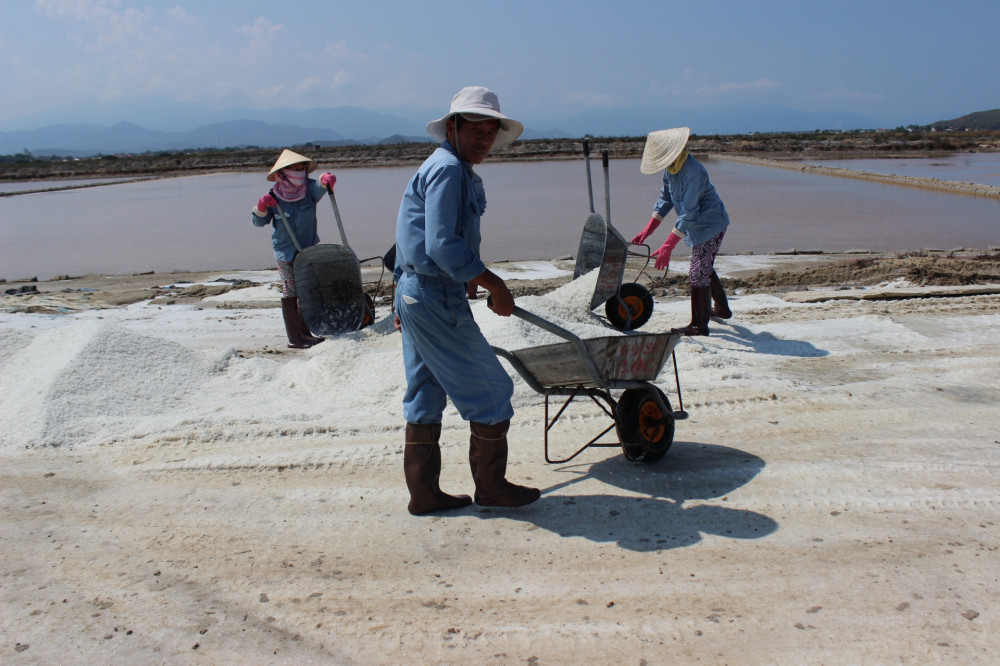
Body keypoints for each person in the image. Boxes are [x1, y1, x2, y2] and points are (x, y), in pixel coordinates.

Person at [393, 86, 540, 515]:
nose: (484, 139)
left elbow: (412, 238)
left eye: (491, 131)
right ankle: (492, 488)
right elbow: (442, 246)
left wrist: (404, 301)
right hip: (433, 294)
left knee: (425, 391)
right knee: (493, 391)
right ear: (453, 127)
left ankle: (424, 494)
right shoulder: (449, 171)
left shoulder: (444, 166)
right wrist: (495, 284)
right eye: (475, 128)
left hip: (418, 291)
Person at [632, 127, 733, 336]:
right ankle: (722, 309)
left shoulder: (693, 172)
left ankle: (699, 325)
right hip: (695, 225)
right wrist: (648, 230)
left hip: (710, 224)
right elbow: (666, 199)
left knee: (697, 273)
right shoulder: (671, 168)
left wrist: (668, 246)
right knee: (704, 266)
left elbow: (688, 212)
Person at [251, 149, 337, 349]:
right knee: (291, 291)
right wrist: (261, 207)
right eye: (294, 168)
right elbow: (258, 222)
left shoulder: (308, 189)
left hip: (307, 251)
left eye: (302, 168)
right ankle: (294, 338)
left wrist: (326, 180)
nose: (299, 172)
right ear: (282, 172)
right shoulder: (273, 195)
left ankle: (307, 333)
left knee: (307, 290)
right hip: (285, 252)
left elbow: (320, 186)